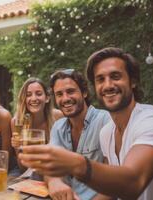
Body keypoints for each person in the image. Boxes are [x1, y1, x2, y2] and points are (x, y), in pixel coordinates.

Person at [19, 47, 153, 200]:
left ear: (133, 81)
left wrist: (75, 164)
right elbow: (112, 186)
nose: (108, 85)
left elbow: (133, 183)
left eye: (116, 76)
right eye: (100, 79)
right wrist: (54, 179)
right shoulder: (108, 132)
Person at [46, 69, 111, 200]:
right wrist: (54, 182)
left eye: (70, 91)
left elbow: (115, 183)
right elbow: (49, 167)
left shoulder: (106, 121)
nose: (65, 99)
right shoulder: (58, 127)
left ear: (84, 92)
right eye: (59, 94)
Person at [11, 77, 63, 172]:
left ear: (47, 98)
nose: (34, 98)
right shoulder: (17, 122)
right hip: (29, 176)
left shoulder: (59, 116)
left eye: (38, 94)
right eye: (28, 95)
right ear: (24, 99)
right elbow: (23, 168)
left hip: (55, 172)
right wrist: (18, 148)